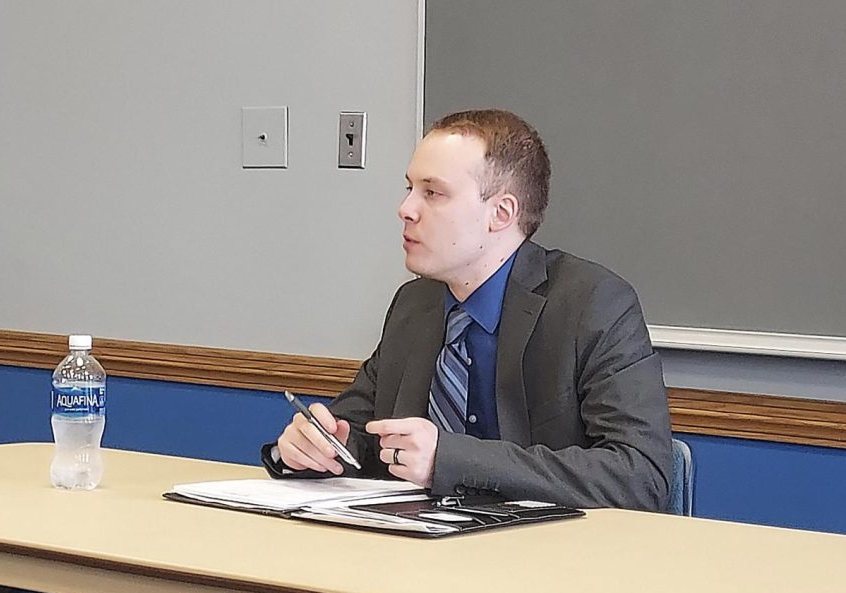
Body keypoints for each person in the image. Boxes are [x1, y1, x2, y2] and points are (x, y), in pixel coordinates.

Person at [263, 109, 672, 511]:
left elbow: (640, 476)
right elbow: (363, 432)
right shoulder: (415, 304)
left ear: (501, 213)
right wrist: (317, 448)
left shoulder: (593, 304)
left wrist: (453, 459)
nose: (405, 209)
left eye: (432, 193)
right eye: (408, 189)